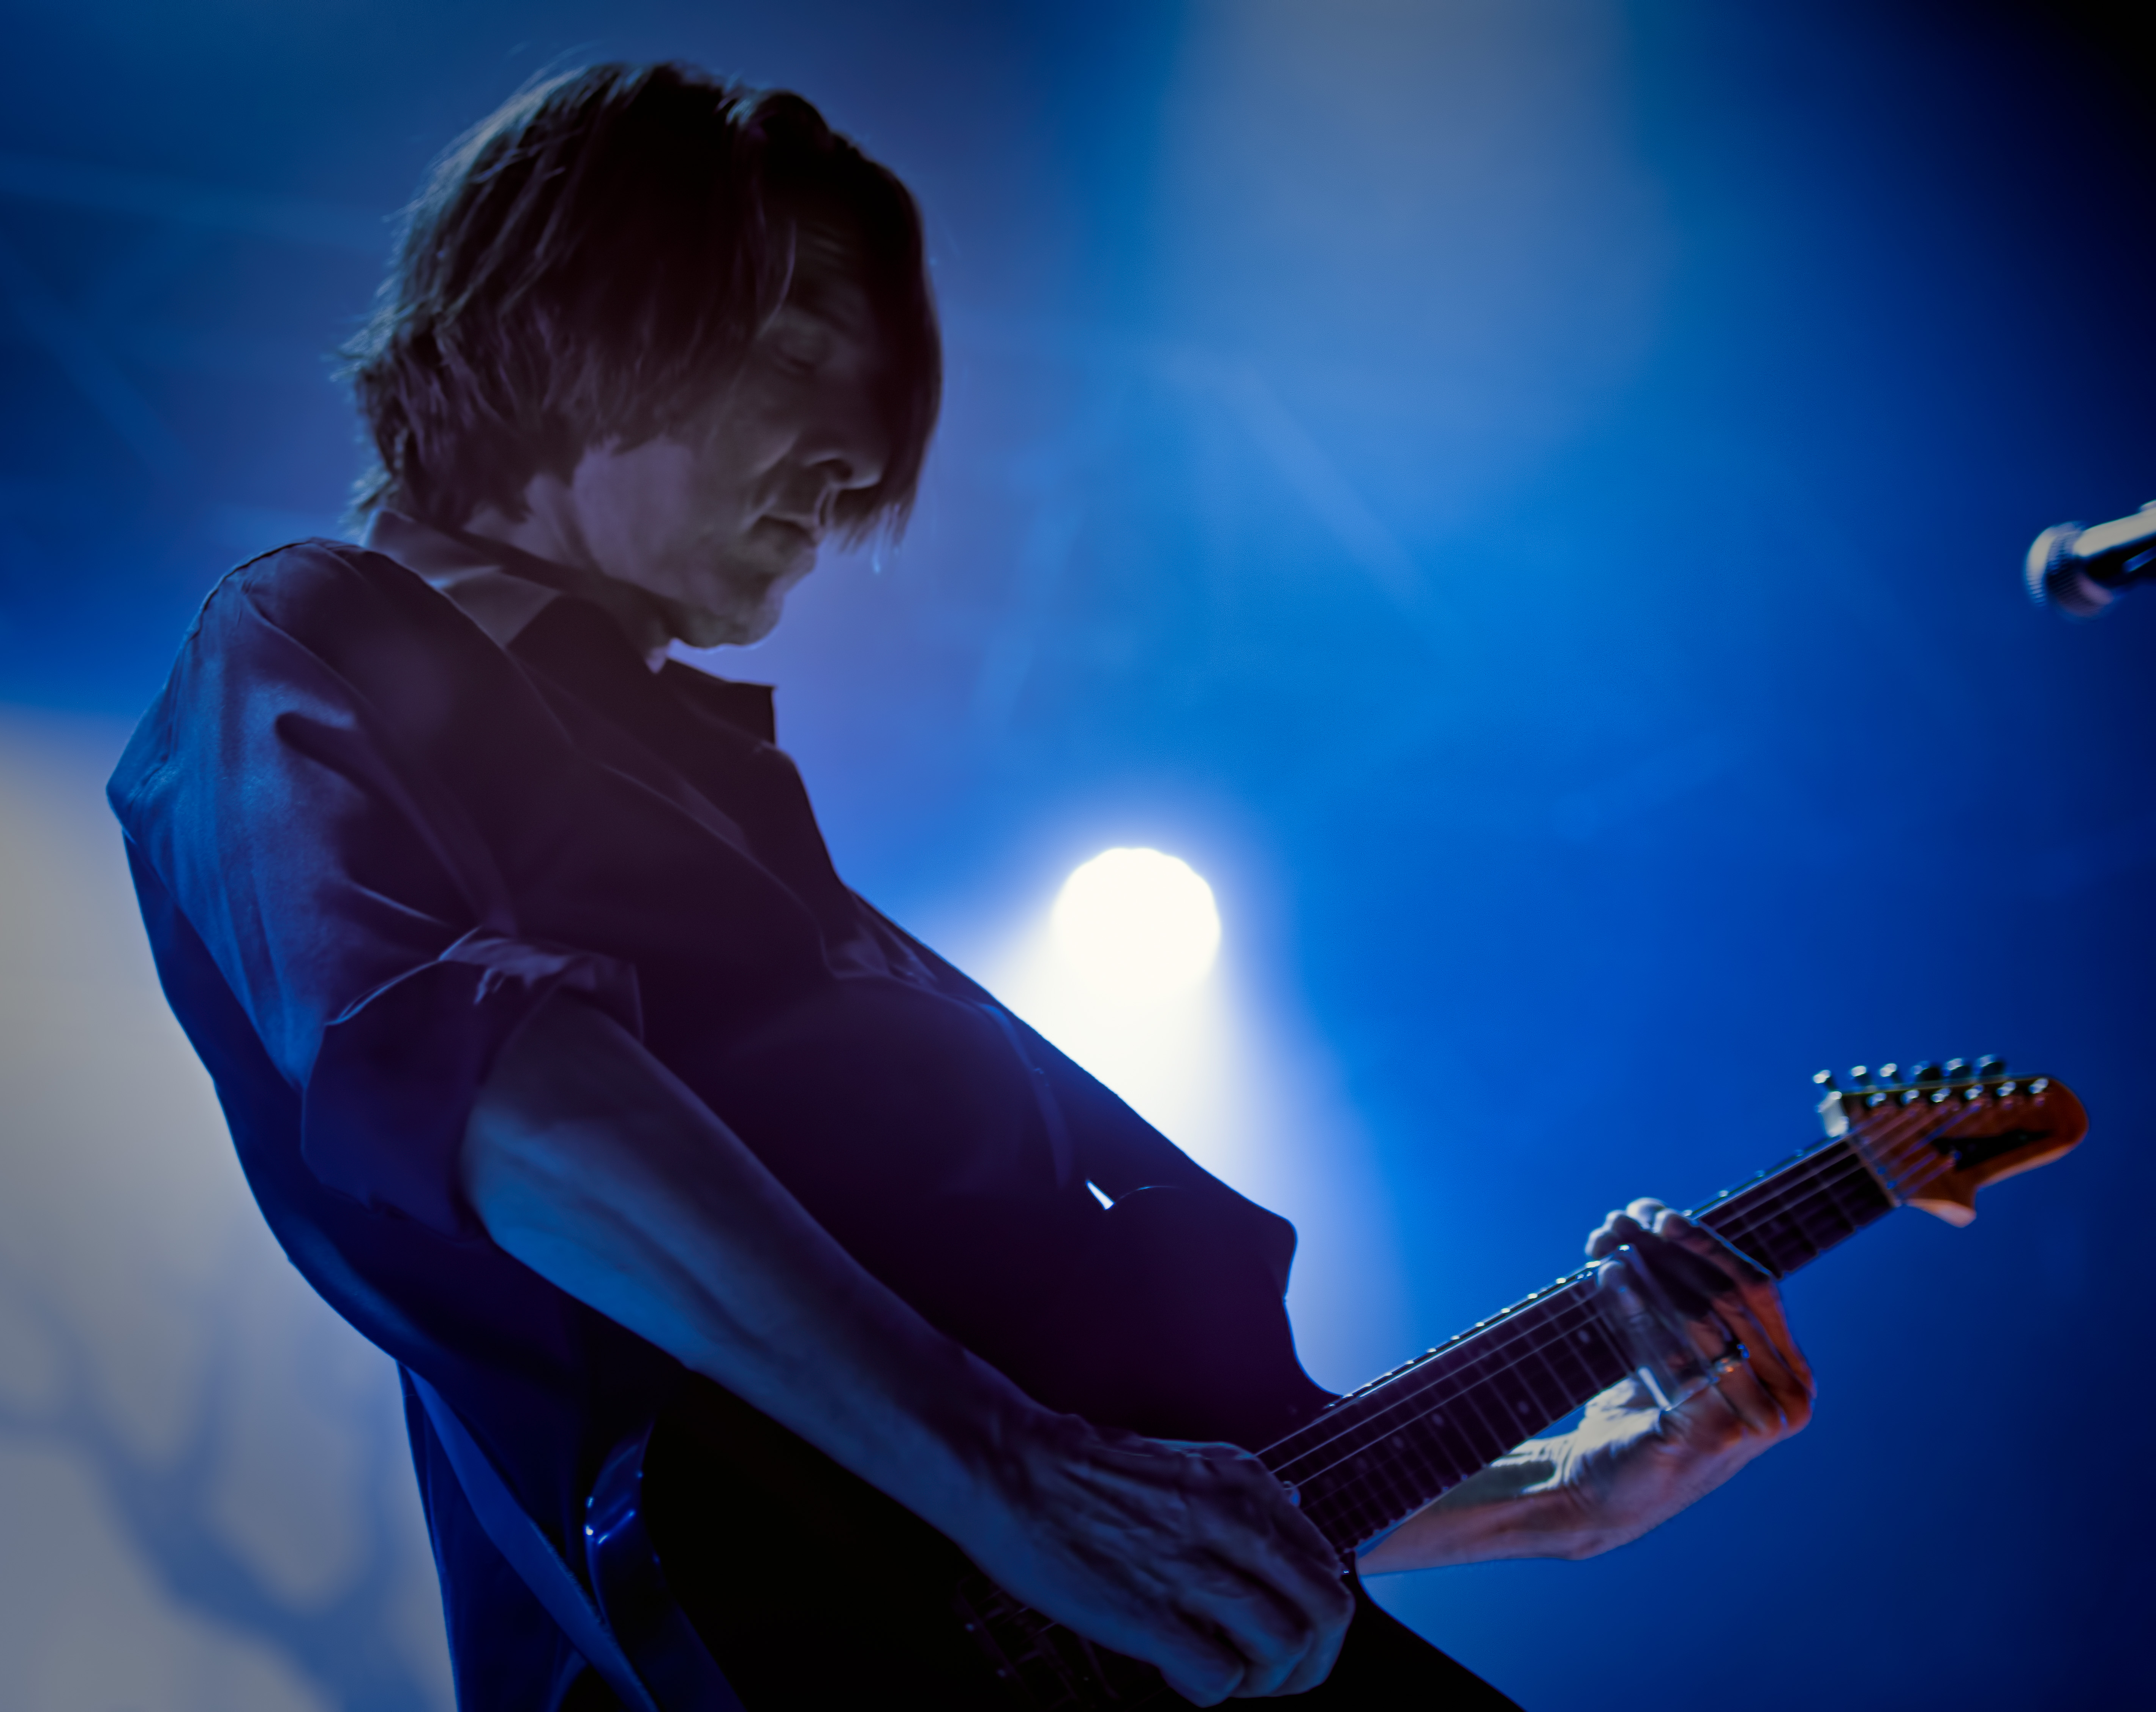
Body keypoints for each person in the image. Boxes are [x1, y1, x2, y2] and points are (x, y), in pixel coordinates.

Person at [109, 63, 1815, 1710]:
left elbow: (1139, 1464)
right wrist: (1008, 1471)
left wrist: (1561, 1489)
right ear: (581, 310)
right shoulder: (314, 636)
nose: (861, 452)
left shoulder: (734, 820)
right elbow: (488, 1088)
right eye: (799, 341)